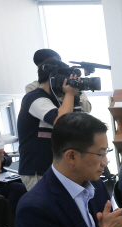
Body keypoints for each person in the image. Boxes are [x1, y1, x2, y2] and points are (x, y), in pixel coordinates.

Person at [17, 58, 79, 191]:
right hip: (37, 170)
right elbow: (61, 121)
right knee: (46, 210)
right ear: (53, 79)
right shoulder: (33, 98)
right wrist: (69, 94)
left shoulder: (56, 101)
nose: (66, 84)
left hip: (53, 168)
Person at [25, 49, 92, 113]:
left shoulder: (70, 82)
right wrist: (67, 94)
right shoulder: (33, 87)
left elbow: (86, 109)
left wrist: (75, 89)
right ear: (42, 68)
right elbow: (53, 114)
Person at [0, 119, 26, 215]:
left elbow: (8, 160)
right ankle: (12, 221)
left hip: (3, 176)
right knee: (17, 188)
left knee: (25, 183)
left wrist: (2, 159)